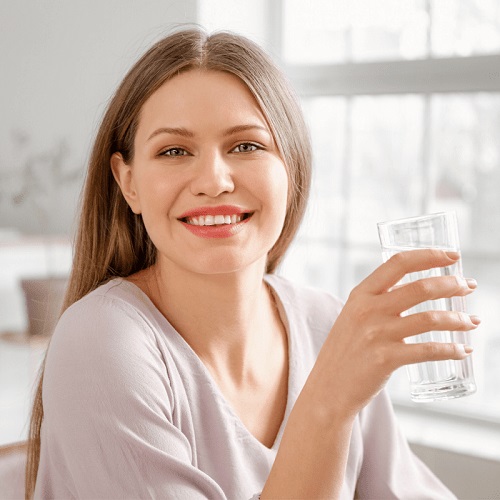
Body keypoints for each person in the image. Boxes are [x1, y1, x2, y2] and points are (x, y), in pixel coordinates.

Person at [26, 27, 479, 499]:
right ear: (128, 182)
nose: (214, 181)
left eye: (246, 146)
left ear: (293, 167)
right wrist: (327, 402)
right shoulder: (103, 343)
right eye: (174, 151)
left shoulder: (325, 321)